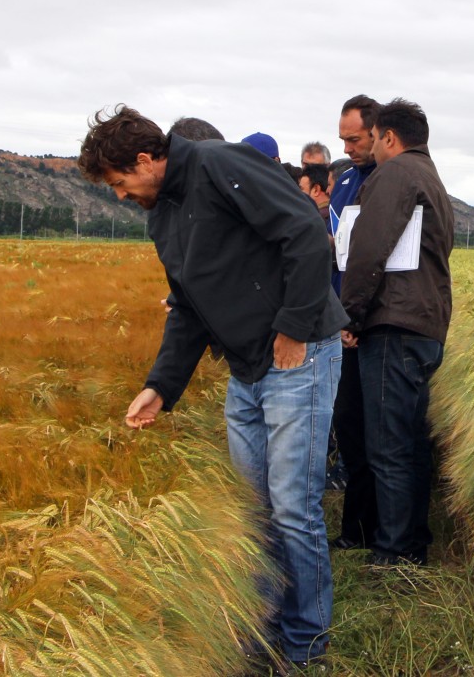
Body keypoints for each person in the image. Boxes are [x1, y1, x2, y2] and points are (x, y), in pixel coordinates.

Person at [77, 105, 346, 668]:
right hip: (246, 370)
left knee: (294, 507)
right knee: (253, 512)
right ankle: (261, 631)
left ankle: (304, 642)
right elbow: (189, 306)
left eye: (121, 182)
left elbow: (304, 232)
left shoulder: (221, 164)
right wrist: (161, 386)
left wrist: (294, 327)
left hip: (298, 358)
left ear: (147, 160)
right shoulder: (161, 214)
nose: (121, 196)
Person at [340, 98, 453, 567]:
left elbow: (369, 249)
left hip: (395, 325)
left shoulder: (396, 174)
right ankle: (410, 541)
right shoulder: (431, 177)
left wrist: (350, 315)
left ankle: (395, 552)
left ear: (388, 137)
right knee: (405, 438)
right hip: (423, 323)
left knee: (388, 444)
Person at [327, 94, 382, 549]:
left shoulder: (390, 181)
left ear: (379, 131)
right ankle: (355, 530)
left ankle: (372, 529)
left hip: (371, 325)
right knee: (348, 424)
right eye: (342, 139)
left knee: (376, 429)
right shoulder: (344, 183)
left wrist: (358, 317)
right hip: (339, 326)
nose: (347, 147)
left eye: (355, 139)